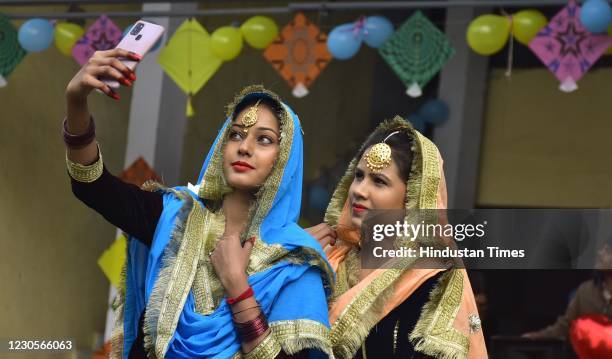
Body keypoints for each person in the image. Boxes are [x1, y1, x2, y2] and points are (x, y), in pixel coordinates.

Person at [64, 48, 333, 358]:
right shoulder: (175, 217)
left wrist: (237, 286)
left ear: (285, 159)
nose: (244, 147)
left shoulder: (294, 262)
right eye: (236, 134)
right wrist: (76, 101)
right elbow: (93, 186)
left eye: (264, 139)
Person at [307, 117, 488, 358]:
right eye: (359, 176)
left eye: (379, 181)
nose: (359, 190)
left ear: (412, 199)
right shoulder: (331, 260)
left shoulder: (431, 280)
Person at [522, 241, 612, 340]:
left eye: (607, 251)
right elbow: (565, 325)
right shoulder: (586, 291)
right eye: (602, 249)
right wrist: (536, 337)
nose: (600, 253)